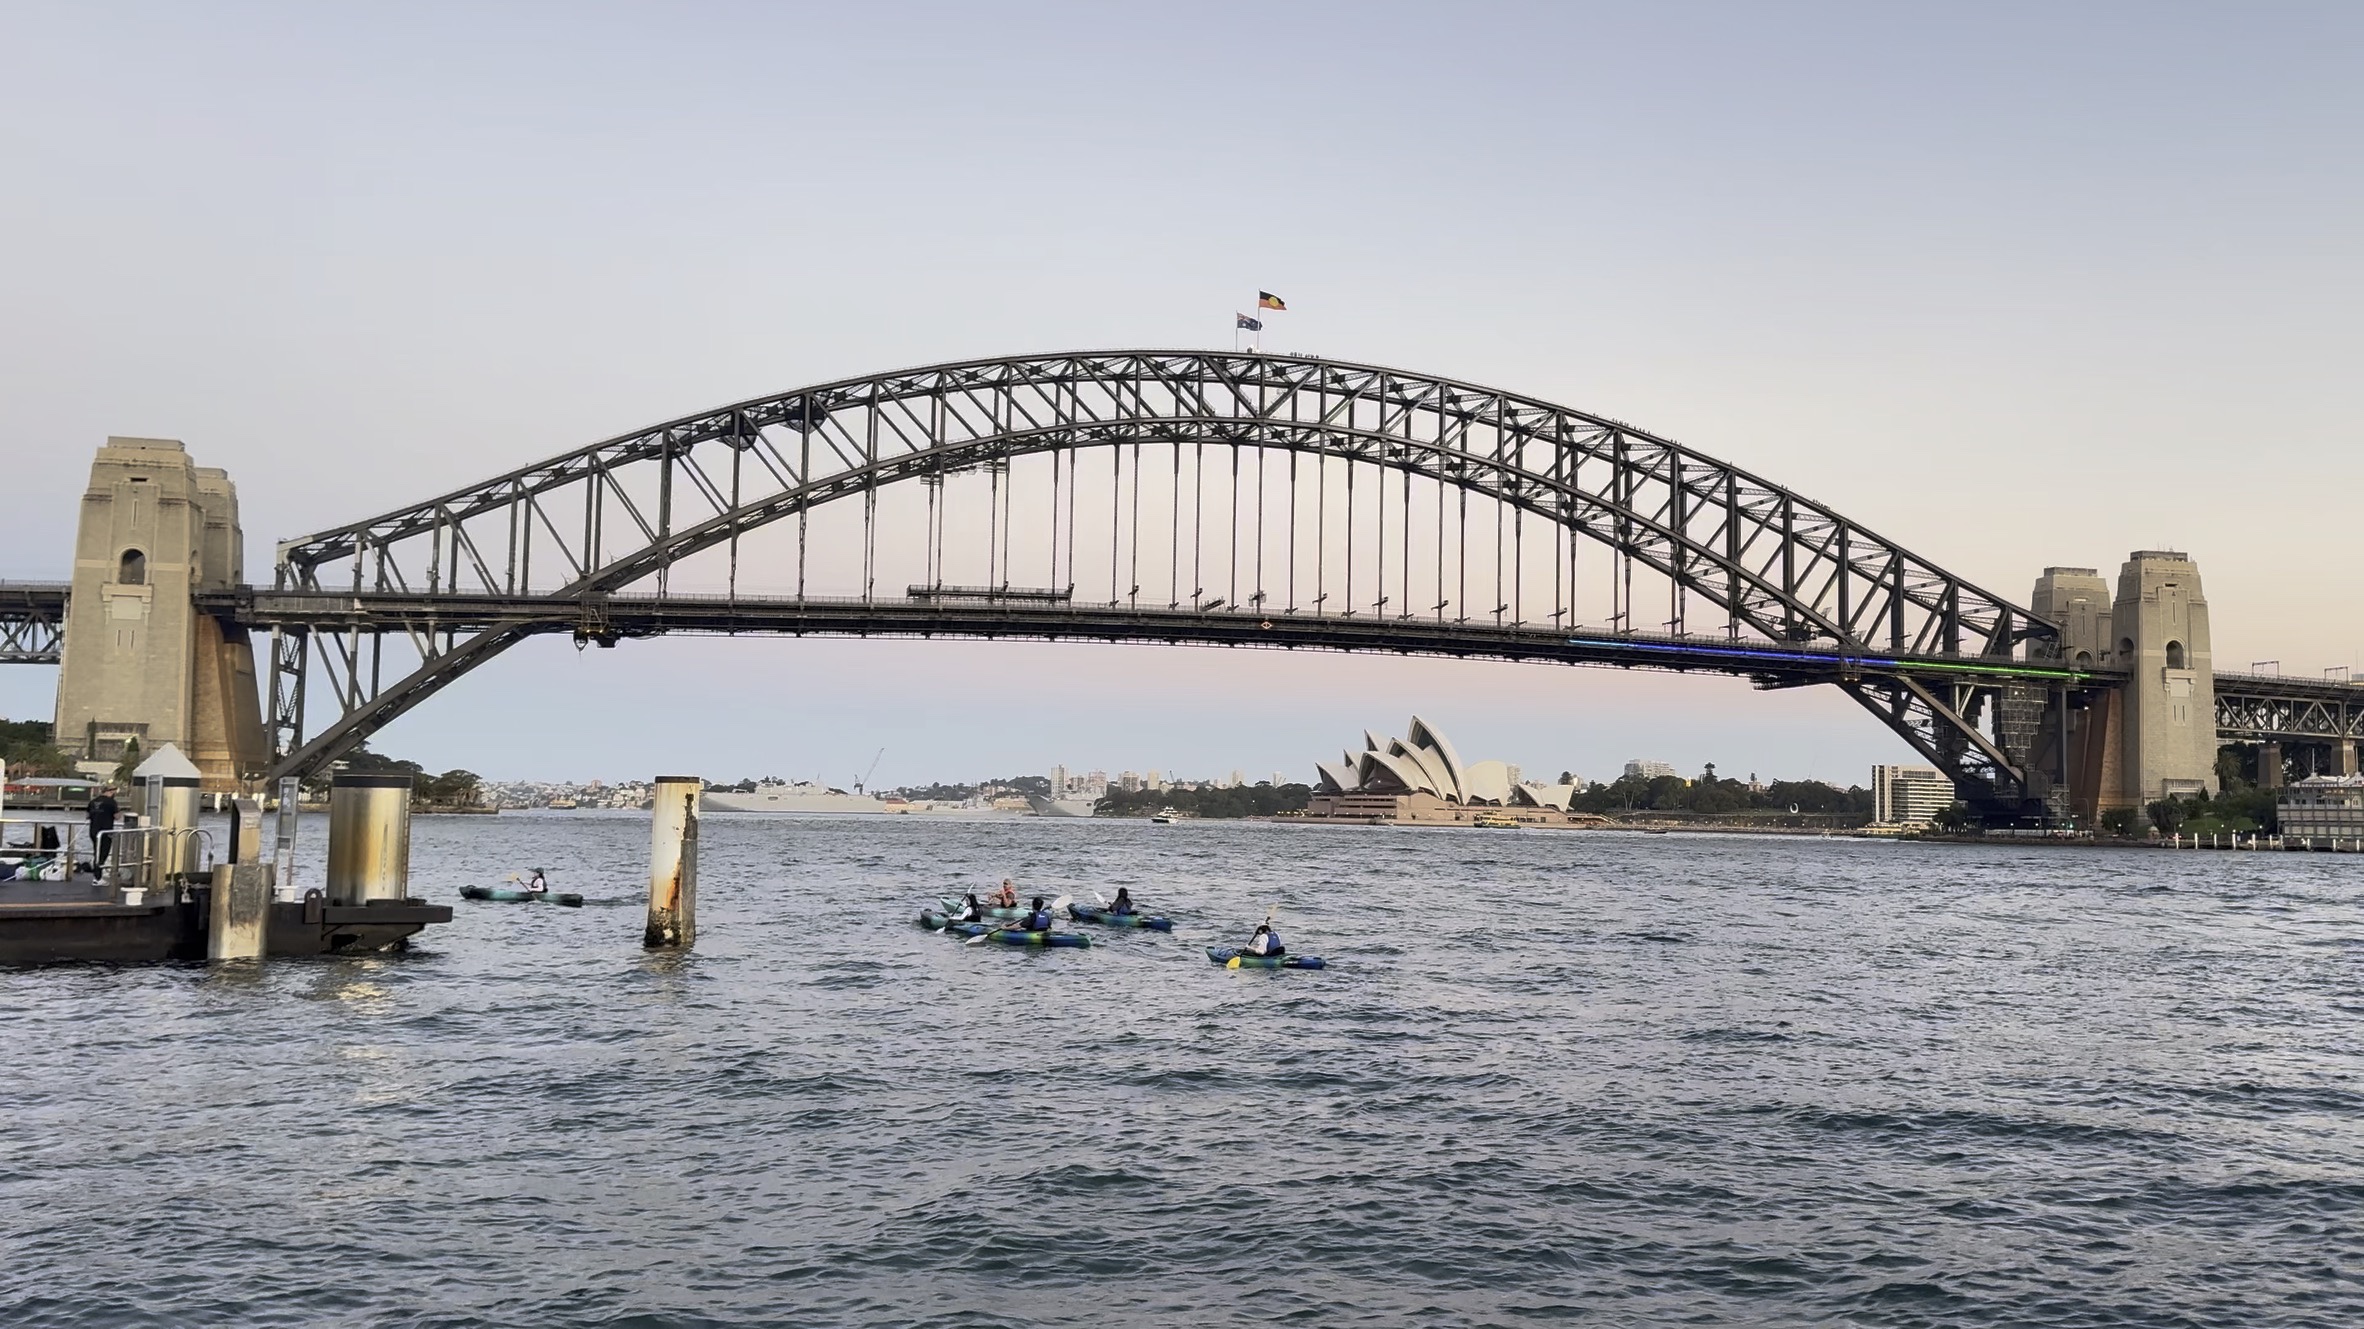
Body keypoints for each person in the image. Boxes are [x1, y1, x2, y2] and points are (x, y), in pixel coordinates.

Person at [86, 787, 119, 870]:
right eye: (113, 792)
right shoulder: (111, 802)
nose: (113, 794)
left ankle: (96, 870)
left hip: (93, 830)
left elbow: (87, 816)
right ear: (109, 792)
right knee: (104, 852)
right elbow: (117, 816)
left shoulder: (93, 801)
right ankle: (98, 872)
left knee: (96, 850)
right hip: (105, 831)